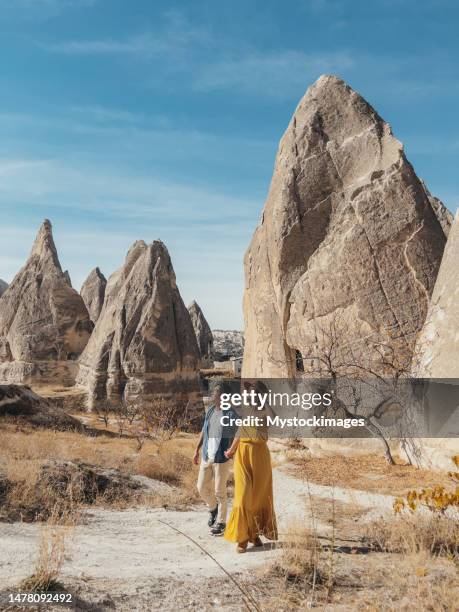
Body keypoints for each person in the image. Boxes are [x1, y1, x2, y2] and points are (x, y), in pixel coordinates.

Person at [223, 381, 278, 553]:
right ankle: (242, 538)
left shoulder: (264, 411)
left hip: (259, 455)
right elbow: (240, 431)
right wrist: (231, 450)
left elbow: (274, 418)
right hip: (242, 454)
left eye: (254, 392)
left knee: (258, 496)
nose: (250, 395)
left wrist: (264, 401)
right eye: (249, 392)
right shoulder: (246, 411)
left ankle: (254, 533)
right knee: (242, 495)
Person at [194, 382, 236, 536]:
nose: (213, 396)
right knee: (201, 487)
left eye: (216, 394)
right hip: (207, 455)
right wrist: (196, 449)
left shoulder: (231, 414)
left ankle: (221, 522)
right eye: (213, 393)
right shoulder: (211, 411)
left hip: (221, 459)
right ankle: (213, 508)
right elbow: (203, 431)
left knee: (220, 491)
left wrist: (231, 451)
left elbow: (237, 435)